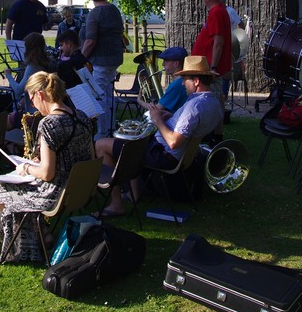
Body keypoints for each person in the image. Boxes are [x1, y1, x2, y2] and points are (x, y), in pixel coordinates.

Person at [0, 71, 94, 263]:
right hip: (80, 189)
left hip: (54, 194)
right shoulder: (82, 116)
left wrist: (27, 168)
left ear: (39, 95)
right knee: (14, 187)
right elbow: (90, 156)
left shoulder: (49, 124)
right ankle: (41, 233)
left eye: (32, 100)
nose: (33, 105)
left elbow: (47, 174)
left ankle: (5, 244)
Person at [95, 55, 222, 217]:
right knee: (128, 140)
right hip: (177, 154)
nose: (182, 83)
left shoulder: (194, 106)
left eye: (185, 80)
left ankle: (116, 204)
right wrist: (171, 117)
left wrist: (157, 120)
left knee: (101, 145)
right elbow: (193, 126)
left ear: (196, 81)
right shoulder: (213, 101)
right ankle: (134, 194)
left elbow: (174, 142)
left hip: (164, 155)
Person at [80, 0, 125, 140]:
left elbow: (90, 40)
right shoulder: (115, 10)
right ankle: (111, 127)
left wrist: (80, 58)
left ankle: (102, 133)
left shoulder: (95, 13)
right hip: (115, 58)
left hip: (101, 60)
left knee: (99, 96)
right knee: (108, 94)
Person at [191, 0, 232, 142]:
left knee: (211, 100)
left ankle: (212, 136)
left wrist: (212, 67)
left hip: (210, 66)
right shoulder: (220, 11)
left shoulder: (216, 13)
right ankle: (216, 135)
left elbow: (218, 43)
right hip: (210, 64)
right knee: (216, 99)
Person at [136, 46, 189, 117]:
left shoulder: (177, 85)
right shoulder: (184, 80)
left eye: (166, 61)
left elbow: (157, 109)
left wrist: (139, 101)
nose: (163, 64)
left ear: (176, 63)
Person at [5, 32, 52, 108]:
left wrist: (8, 75)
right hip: (45, 104)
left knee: (14, 102)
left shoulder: (33, 67)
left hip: (34, 109)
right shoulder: (47, 62)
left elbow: (18, 90)